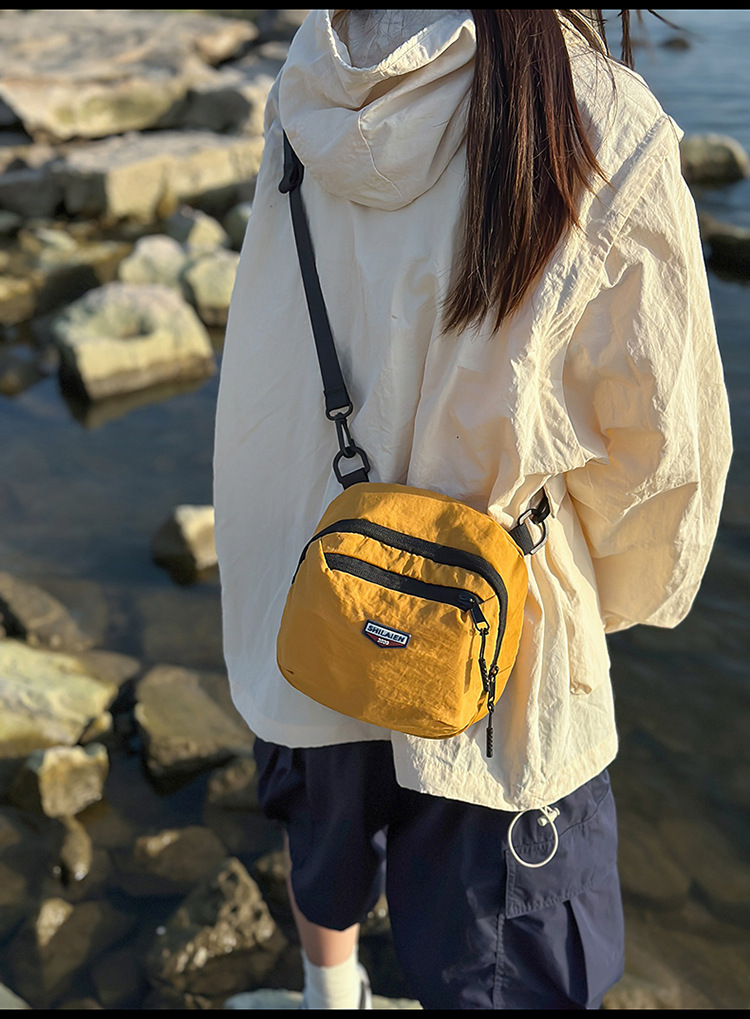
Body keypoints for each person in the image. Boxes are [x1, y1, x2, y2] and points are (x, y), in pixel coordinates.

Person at [213, 9, 732, 1010]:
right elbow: (668, 457)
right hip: (498, 622)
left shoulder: (315, 74)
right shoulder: (598, 117)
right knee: (506, 951)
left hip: (309, 569)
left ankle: (332, 996)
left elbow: (266, 332)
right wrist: (609, 599)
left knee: (323, 815)